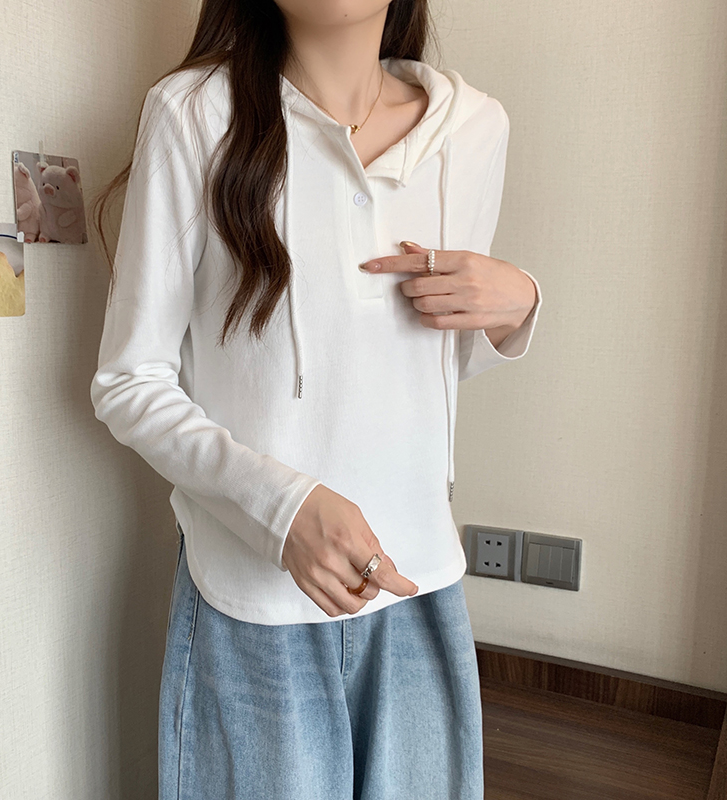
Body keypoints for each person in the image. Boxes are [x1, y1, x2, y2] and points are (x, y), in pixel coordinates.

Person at [90, 1, 542, 798]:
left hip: (418, 587)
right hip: (252, 600)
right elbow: (130, 381)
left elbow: (431, 368)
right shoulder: (194, 113)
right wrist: (282, 510)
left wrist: (517, 307)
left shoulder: (475, 129)